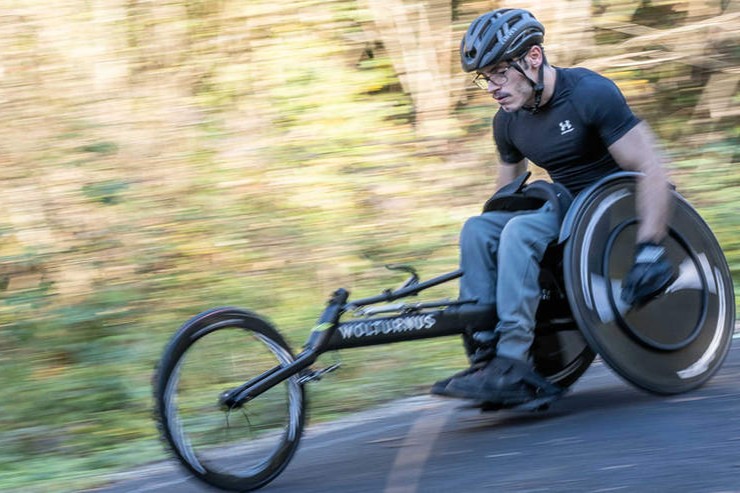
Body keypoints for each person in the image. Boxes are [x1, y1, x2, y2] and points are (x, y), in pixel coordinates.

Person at [431, 8, 675, 406]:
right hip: (563, 210)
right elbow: (502, 200)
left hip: (608, 211)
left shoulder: (589, 94)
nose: (492, 86)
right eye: (485, 77)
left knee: (519, 231)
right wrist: (490, 254)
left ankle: (514, 361)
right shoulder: (507, 122)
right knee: (479, 228)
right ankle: (486, 357)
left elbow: (652, 166)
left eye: (500, 72)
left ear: (533, 57)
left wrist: (649, 247)